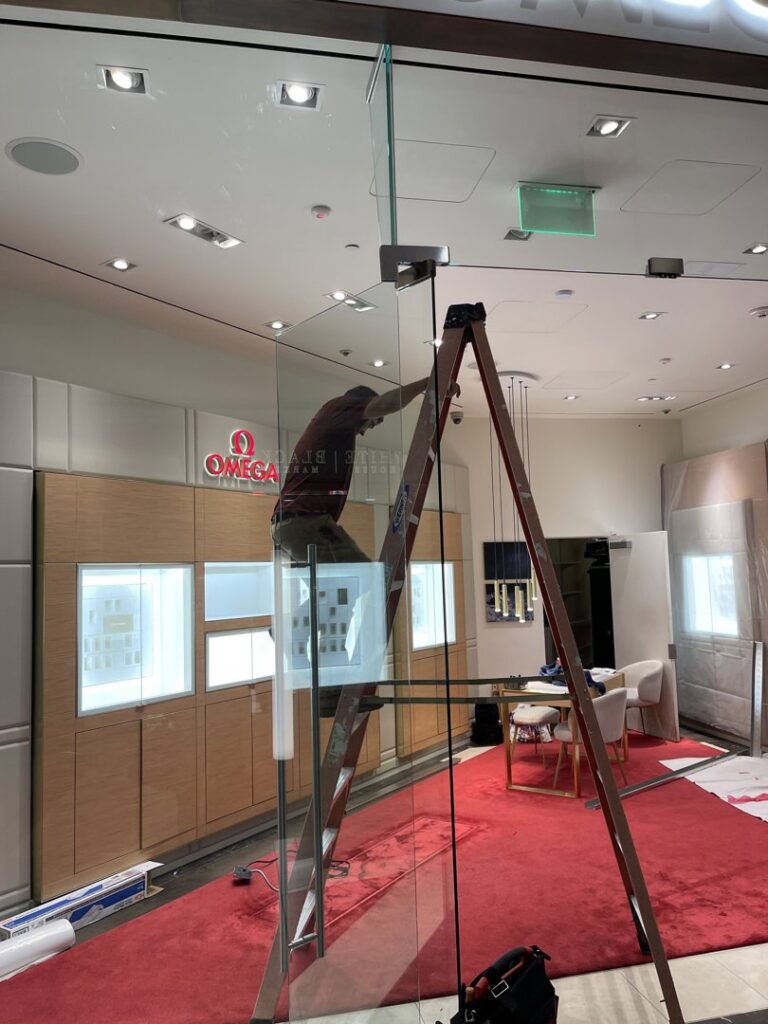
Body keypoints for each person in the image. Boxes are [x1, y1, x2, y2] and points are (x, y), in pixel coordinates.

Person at [271, 376, 458, 563]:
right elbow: (386, 403)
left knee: (339, 587)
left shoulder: (334, 423)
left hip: (294, 523)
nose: (364, 431)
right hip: (304, 521)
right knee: (367, 577)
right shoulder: (340, 407)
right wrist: (430, 382)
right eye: (372, 422)